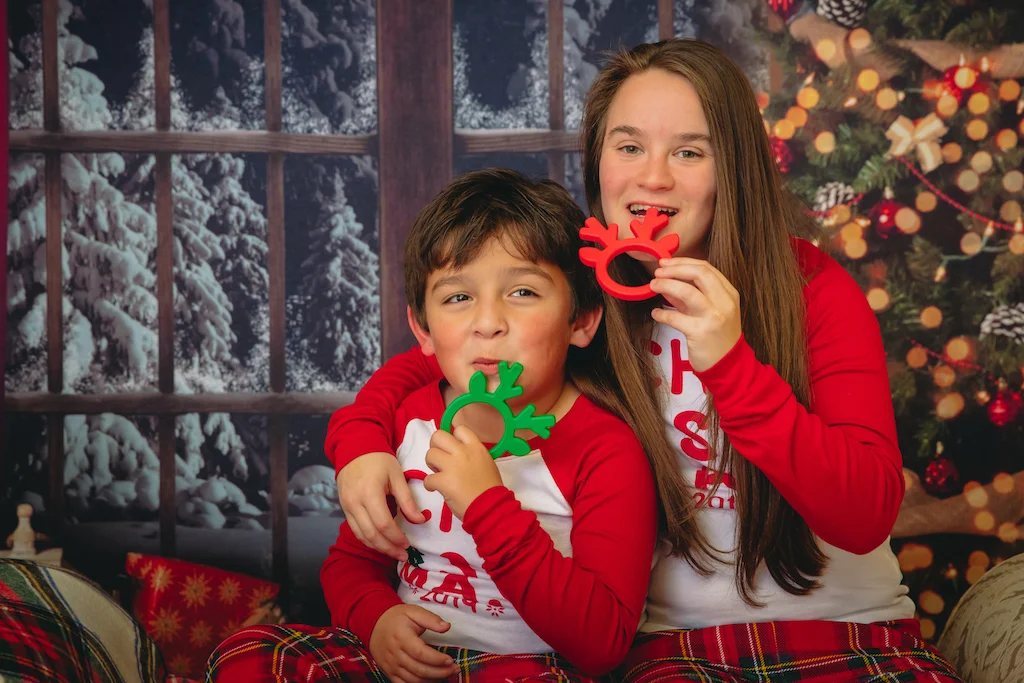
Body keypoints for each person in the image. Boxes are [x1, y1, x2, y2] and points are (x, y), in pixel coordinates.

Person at [324, 40, 963, 682]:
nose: (653, 177)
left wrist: (732, 367)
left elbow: (864, 515)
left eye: (689, 152)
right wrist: (359, 445)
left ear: (733, 168)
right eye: (628, 147)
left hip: (849, 630)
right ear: (599, 161)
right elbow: (442, 360)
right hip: (671, 652)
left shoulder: (812, 291)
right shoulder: (584, 288)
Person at [207, 168, 659, 683]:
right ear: (423, 329)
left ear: (581, 321)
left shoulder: (606, 449)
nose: (487, 323)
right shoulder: (405, 422)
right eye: (457, 298)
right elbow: (351, 564)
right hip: (410, 668)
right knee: (247, 657)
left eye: (524, 293)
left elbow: (602, 642)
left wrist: (488, 505)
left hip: (536, 671)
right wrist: (378, 620)